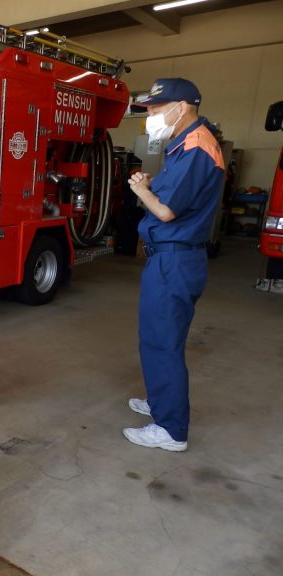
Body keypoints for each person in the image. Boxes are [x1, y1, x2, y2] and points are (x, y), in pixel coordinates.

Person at [124, 78, 225, 452]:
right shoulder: (185, 144)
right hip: (172, 258)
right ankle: (160, 401)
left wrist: (140, 191)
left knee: (162, 342)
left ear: (181, 107)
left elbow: (165, 211)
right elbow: (173, 199)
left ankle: (170, 429)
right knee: (159, 337)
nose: (149, 117)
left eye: (153, 110)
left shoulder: (197, 147)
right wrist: (150, 187)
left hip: (175, 259)